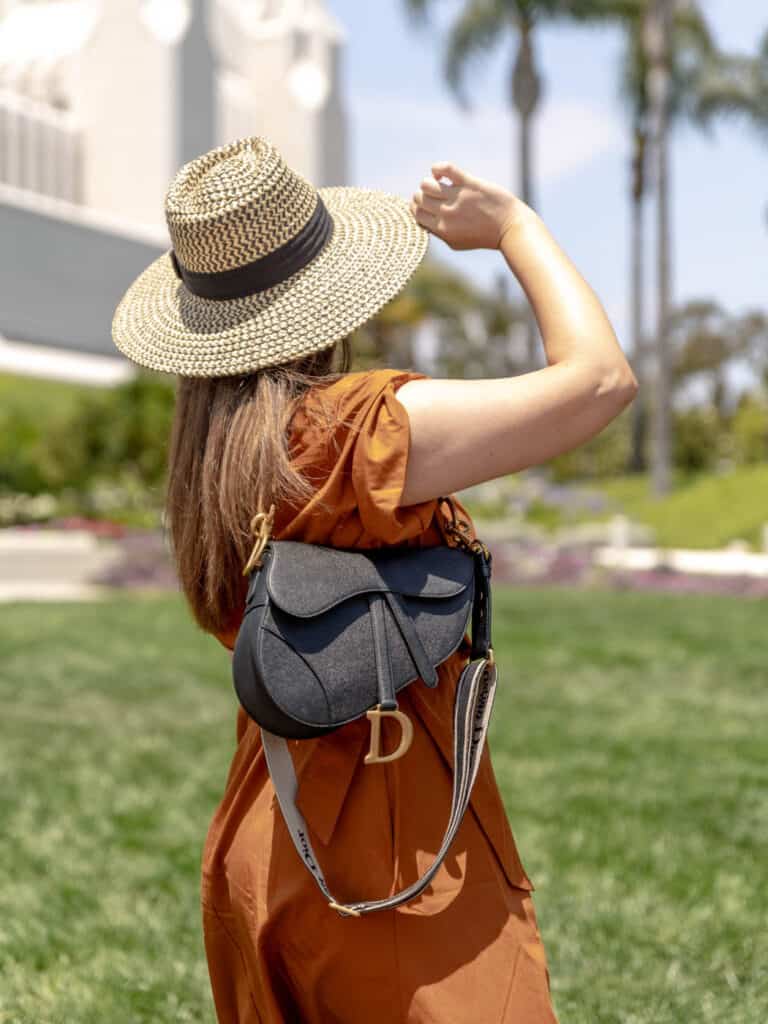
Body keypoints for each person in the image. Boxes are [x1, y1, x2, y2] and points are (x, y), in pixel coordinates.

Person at [111, 135, 637, 1023]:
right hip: (384, 849)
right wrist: (514, 226)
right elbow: (599, 382)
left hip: (267, 836)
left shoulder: (214, 454)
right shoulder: (352, 429)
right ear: (328, 296)